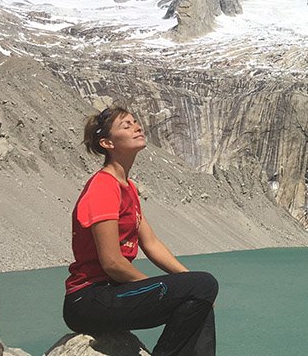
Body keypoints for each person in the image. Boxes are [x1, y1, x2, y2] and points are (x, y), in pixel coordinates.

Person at [63, 105, 218, 356]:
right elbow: (112, 262)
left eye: (136, 122)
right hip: (89, 299)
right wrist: (161, 287)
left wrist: (186, 280)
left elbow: (152, 244)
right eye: (126, 125)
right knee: (203, 285)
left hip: (112, 293)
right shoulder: (103, 186)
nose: (137, 127)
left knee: (200, 297)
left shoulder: (128, 188)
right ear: (107, 143)